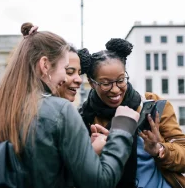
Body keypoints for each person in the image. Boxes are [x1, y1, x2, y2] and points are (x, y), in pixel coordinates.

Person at [0, 23, 140, 188]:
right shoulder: (60, 112)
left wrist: (85, 151)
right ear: (45, 65)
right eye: (66, 69)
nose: (67, 77)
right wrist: (121, 130)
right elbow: (100, 182)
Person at [78, 38, 185, 188]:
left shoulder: (154, 105)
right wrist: (94, 152)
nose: (115, 90)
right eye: (106, 83)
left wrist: (159, 149)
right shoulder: (83, 119)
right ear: (91, 81)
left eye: (121, 80)